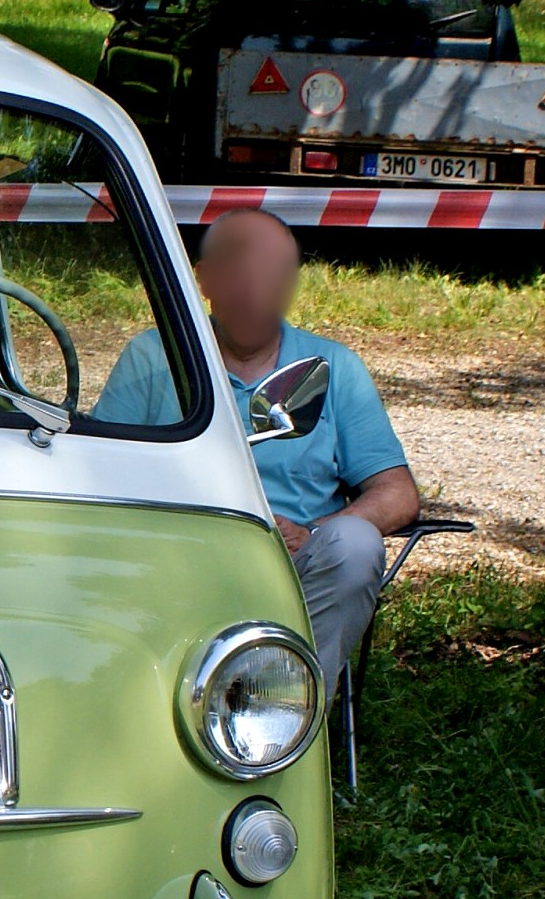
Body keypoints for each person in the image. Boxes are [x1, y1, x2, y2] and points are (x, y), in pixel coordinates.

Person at [95, 209, 420, 696]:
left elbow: (397, 493)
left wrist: (311, 532)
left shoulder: (333, 366)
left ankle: (287, 702)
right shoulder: (153, 356)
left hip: (295, 570)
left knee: (356, 543)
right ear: (204, 281)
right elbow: (99, 469)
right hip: (177, 559)